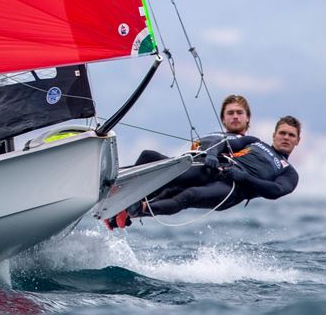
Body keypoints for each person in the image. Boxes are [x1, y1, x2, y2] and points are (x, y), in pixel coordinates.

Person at [108, 116, 301, 227]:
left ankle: (137, 210)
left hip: (232, 190)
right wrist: (212, 154)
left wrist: (245, 178)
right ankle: (116, 190)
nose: (286, 137)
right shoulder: (254, 142)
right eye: (282, 133)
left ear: (297, 141)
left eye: (291, 135)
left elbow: (275, 191)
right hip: (216, 169)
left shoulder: (289, 172)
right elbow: (225, 143)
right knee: (151, 157)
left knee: (188, 195)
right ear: (274, 135)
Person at [106, 95, 253, 228]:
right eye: (230, 113)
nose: (235, 117)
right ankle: (118, 203)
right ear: (223, 118)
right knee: (149, 157)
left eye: (239, 113)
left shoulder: (251, 145)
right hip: (192, 171)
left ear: (248, 118)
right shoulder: (214, 135)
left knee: (174, 192)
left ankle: (122, 206)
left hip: (214, 182)